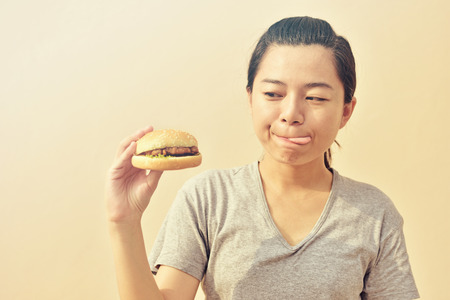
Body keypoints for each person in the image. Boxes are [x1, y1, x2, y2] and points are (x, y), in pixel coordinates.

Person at [105, 16, 419, 299]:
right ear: (251, 99)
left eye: (316, 98)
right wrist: (124, 221)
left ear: (345, 111)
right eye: (273, 94)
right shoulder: (208, 198)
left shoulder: (374, 213)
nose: (291, 114)